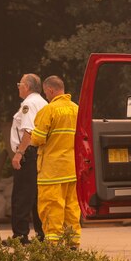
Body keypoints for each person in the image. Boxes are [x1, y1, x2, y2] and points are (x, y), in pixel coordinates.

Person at [29, 75, 81, 246]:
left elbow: (38, 139)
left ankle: (53, 247)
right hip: (71, 169)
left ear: (50, 90)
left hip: (52, 171)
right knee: (71, 208)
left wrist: (32, 137)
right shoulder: (76, 109)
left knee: (51, 208)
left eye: (46, 93)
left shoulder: (49, 110)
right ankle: (73, 245)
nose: (46, 96)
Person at [10, 73, 47, 243]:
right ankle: (42, 233)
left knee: (22, 195)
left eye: (20, 83)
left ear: (27, 86)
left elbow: (28, 130)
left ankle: (20, 235)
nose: (18, 86)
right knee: (36, 196)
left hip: (28, 153)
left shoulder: (29, 103)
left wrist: (19, 153)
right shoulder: (42, 102)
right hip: (39, 154)